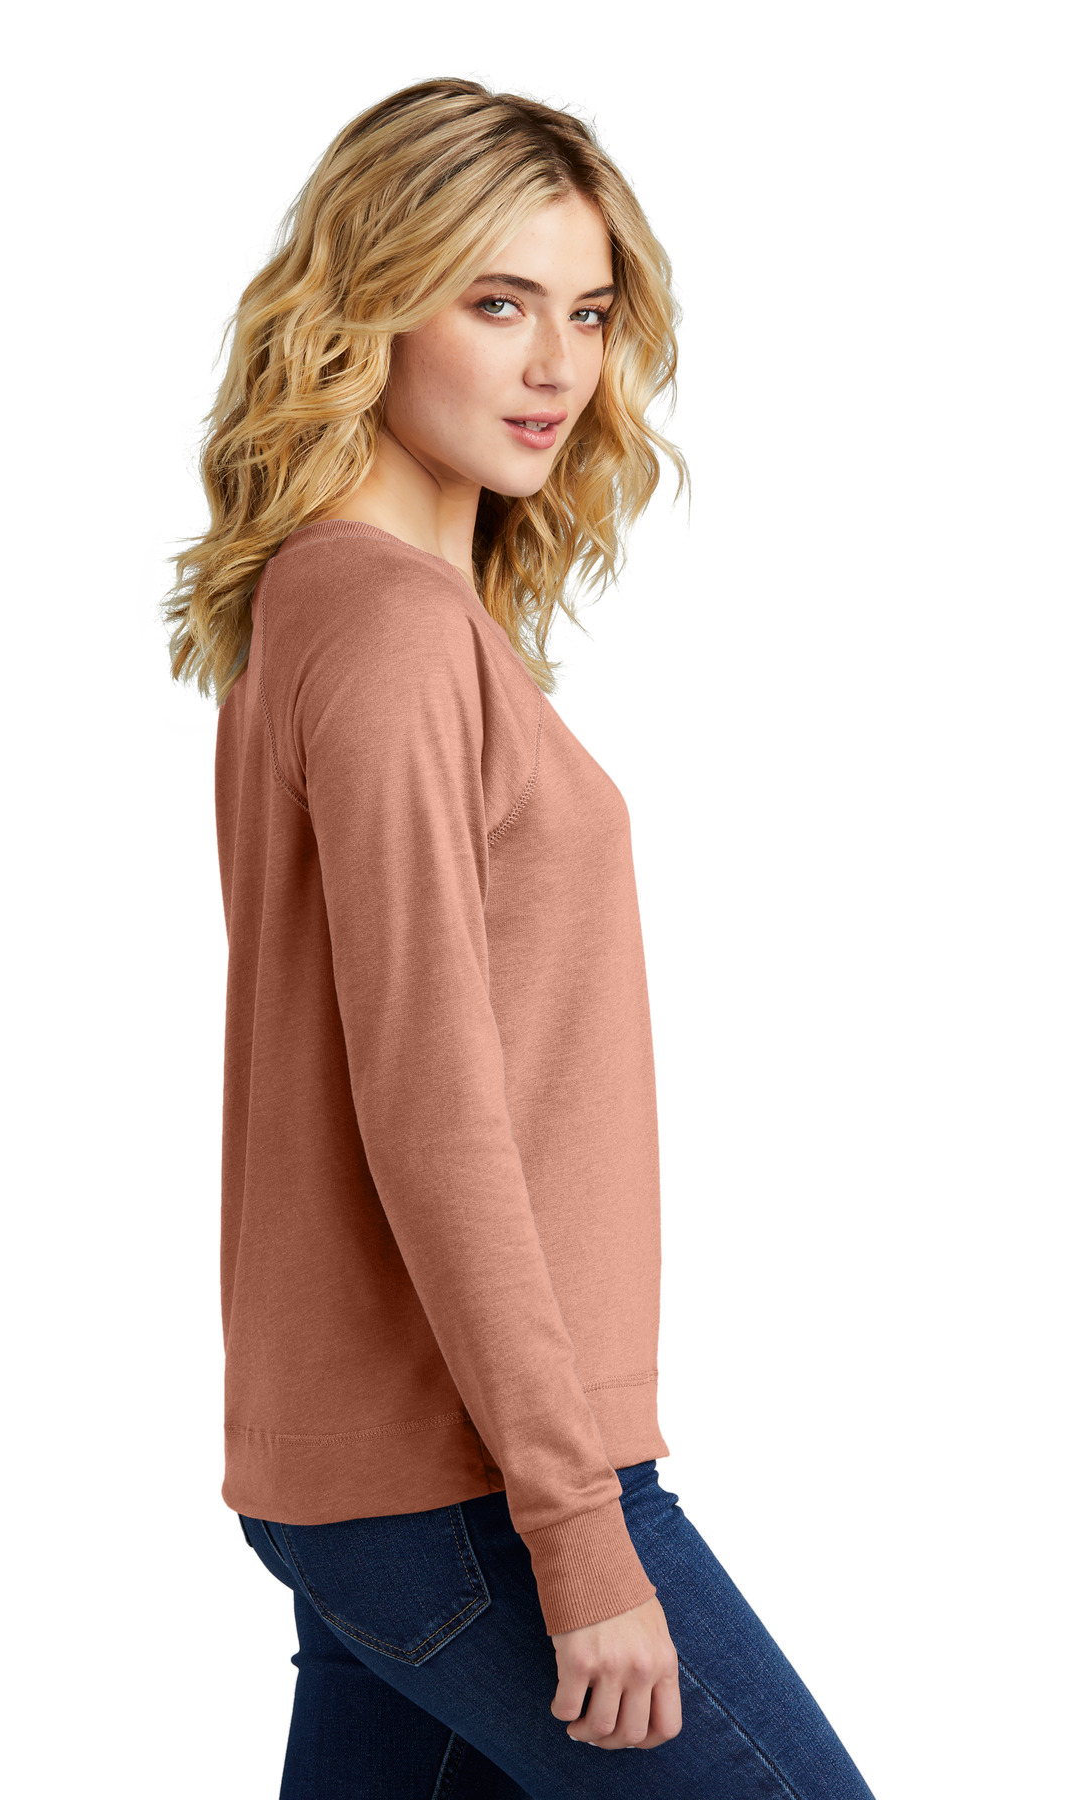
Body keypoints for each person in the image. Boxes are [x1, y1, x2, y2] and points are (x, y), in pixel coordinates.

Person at [163, 76, 876, 1798]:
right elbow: (432, 1107)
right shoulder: (393, 634)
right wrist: (576, 1524)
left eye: (590, 312)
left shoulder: (332, 607)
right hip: (474, 1475)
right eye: (498, 303)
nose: (558, 365)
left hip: (372, 1480)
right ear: (372, 304)